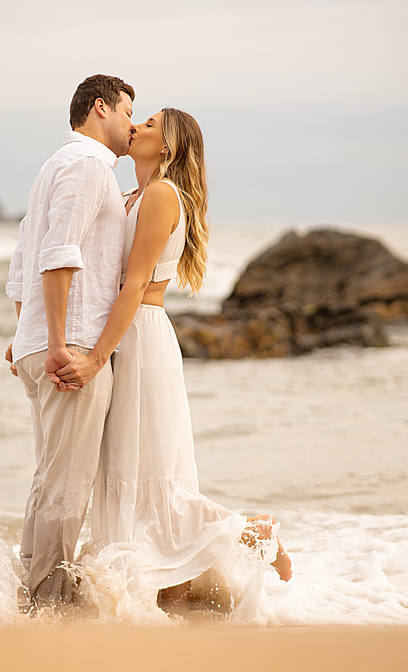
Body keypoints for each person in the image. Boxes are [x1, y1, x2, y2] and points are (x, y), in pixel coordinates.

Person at [51, 108, 292, 614]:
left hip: (139, 336)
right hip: (124, 333)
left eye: (152, 124)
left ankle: (252, 533)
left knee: (153, 471)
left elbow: (134, 286)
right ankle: (166, 595)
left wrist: (96, 358)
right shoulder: (129, 197)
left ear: (168, 147)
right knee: (128, 466)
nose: (136, 126)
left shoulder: (161, 195)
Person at [4, 73, 136, 608]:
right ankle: (50, 607)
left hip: (42, 343)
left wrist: (27, 332)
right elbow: (59, 253)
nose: (133, 124)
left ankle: (29, 597)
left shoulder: (51, 169)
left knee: (50, 476)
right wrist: (59, 342)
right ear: (100, 108)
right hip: (71, 346)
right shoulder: (86, 167)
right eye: (129, 112)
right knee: (67, 483)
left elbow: (20, 263)